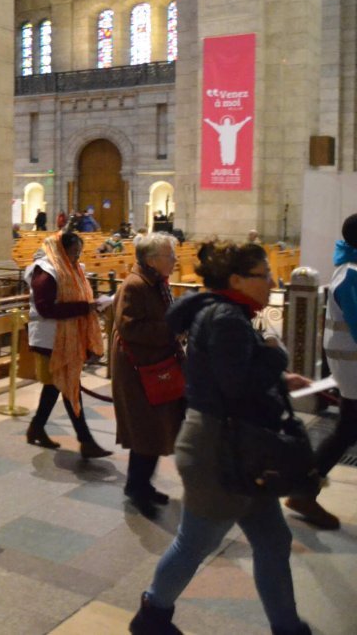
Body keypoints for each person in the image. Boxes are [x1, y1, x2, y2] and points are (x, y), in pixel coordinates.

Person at [130, 241, 313, 635]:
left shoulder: (227, 312)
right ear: (236, 280)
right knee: (195, 543)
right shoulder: (227, 317)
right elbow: (235, 384)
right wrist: (276, 356)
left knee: (272, 540)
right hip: (217, 447)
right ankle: (152, 615)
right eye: (263, 276)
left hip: (240, 444)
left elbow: (228, 374)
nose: (271, 282)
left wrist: (278, 378)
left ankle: (287, 626)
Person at [283, 213, 357, 531]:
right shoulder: (351, 274)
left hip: (350, 365)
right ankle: (303, 490)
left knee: (348, 429)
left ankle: (304, 490)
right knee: (347, 429)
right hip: (354, 366)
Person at [111, 232, 185, 519]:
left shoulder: (155, 283)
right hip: (139, 372)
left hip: (155, 367)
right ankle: (138, 488)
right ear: (153, 260)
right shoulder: (135, 286)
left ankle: (138, 484)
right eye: (170, 256)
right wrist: (172, 328)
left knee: (153, 430)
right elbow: (131, 329)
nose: (175, 261)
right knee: (146, 430)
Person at [23, 230, 113, 459]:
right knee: (69, 385)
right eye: (73, 253)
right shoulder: (46, 271)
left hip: (66, 335)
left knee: (56, 385)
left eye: (79, 254)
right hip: (51, 337)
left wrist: (91, 305)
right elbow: (45, 308)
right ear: (61, 251)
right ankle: (85, 440)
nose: (76, 258)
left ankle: (36, 427)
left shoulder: (69, 268)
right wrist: (85, 307)